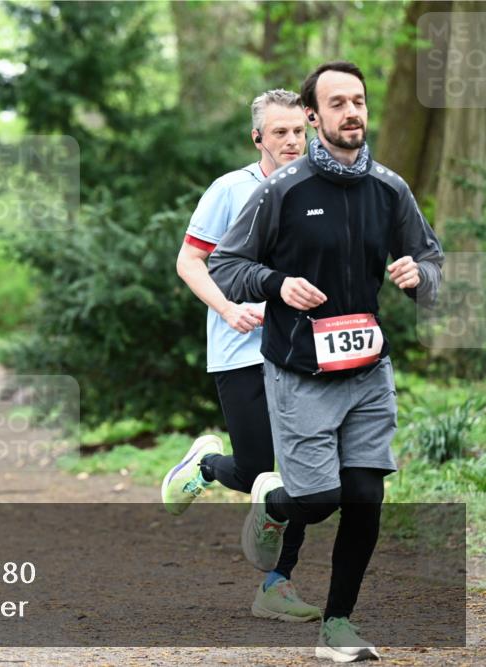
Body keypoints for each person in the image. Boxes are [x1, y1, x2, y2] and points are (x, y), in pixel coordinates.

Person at [209, 61, 444, 662]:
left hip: (368, 370)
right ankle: (275, 506)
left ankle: (337, 624)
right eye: (336, 103)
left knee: (366, 495)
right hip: (299, 373)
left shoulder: (389, 188)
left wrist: (422, 277)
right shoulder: (282, 190)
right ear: (312, 117)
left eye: (359, 101)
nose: (352, 112)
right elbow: (226, 267)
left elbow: (432, 262)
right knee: (319, 500)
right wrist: (277, 284)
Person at [163, 89, 320, 623]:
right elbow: (189, 262)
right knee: (256, 468)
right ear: (258, 138)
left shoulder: (325, 189)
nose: (292, 141)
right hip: (240, 348)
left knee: (301, 475)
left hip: (304, 352)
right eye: (280, 132)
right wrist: (229, 308)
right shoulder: (229, 190)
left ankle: (277, 585)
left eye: (300, 130)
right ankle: (206, 467)